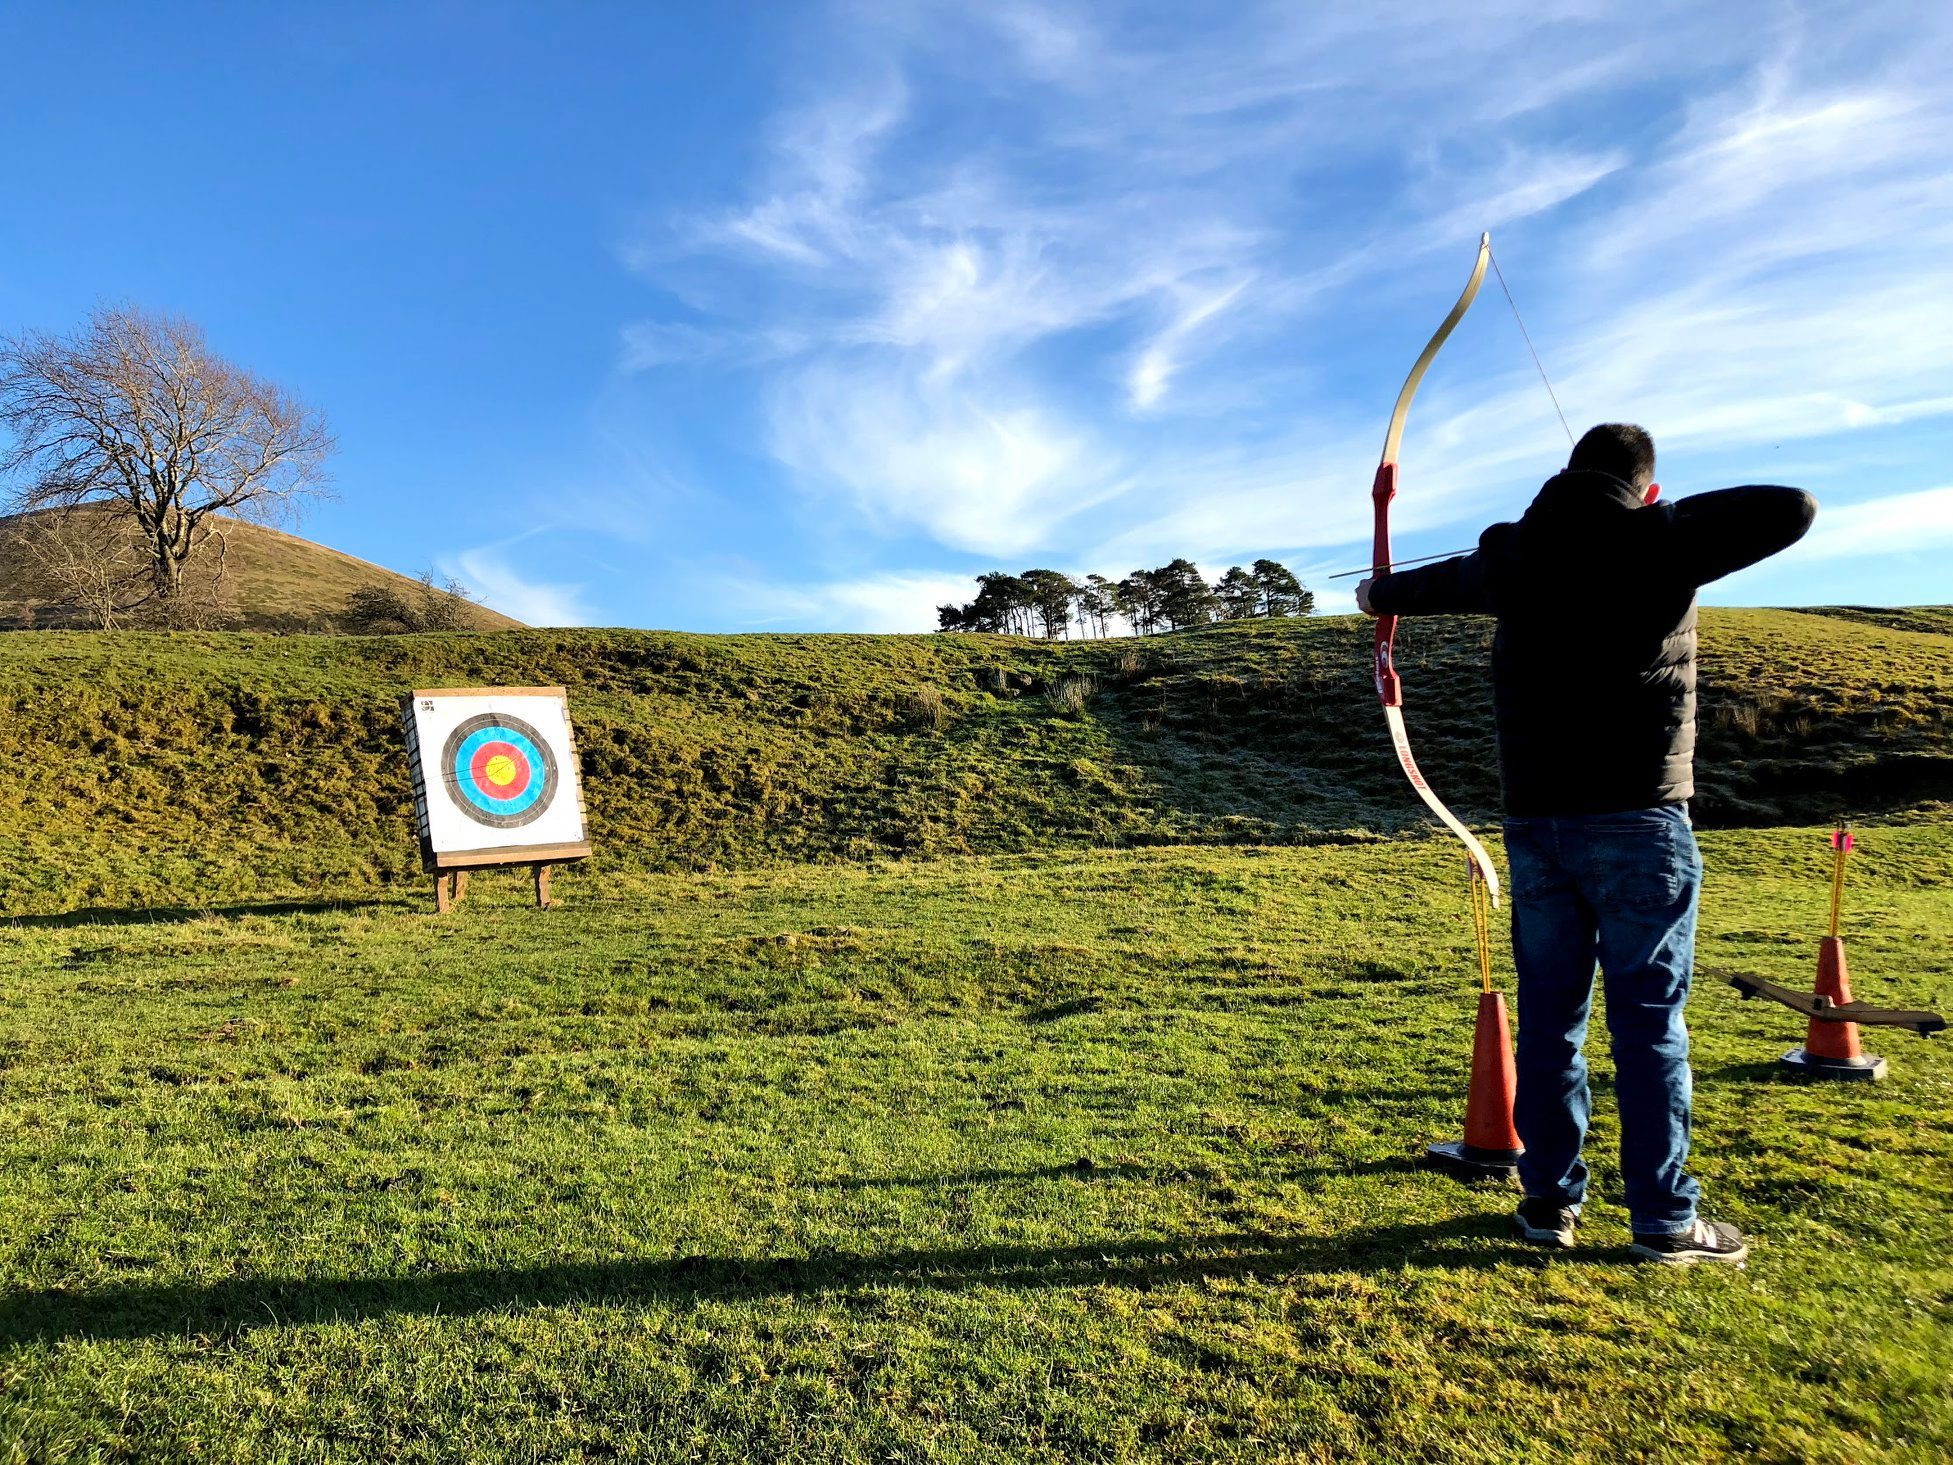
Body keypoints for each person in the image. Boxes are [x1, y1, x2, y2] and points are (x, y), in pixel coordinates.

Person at [1355, 424, 1815, 1265]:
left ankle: (1547, 1206)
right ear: (1644, 486)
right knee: (1646, 1027)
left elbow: (1389, 593)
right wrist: (1649, 521)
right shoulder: (1661, 543)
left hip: (1538, 828)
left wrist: (1390, 590)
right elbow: (1791, 506)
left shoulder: (1512, 561)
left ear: (1566, 475)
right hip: (1639, 822)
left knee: (1552, 1025)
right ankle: (1663, 1222)